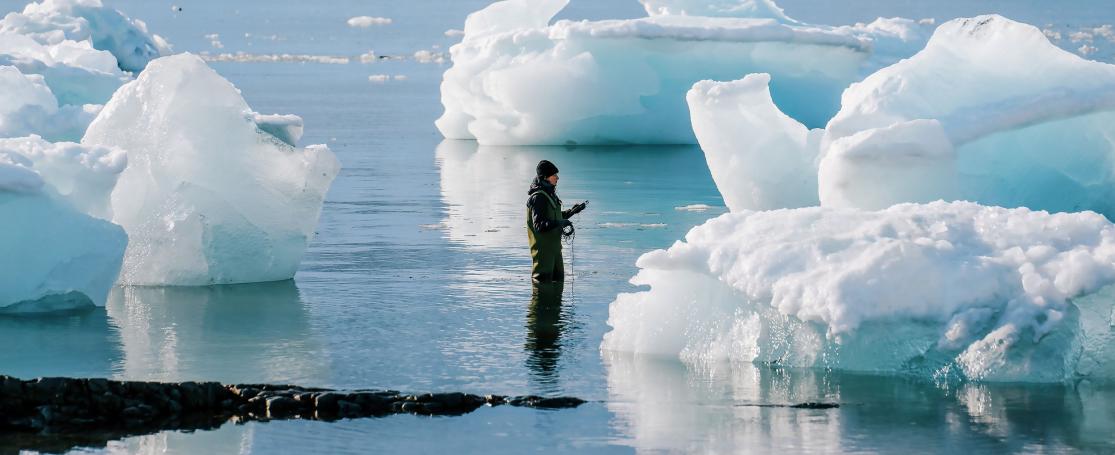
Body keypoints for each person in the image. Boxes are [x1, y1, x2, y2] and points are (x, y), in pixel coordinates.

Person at [526, 160, 586, 283]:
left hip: (555, 250)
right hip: (543, 253)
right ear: (545, 177)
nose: (557, 178)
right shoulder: (538, 197)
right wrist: (560, 223)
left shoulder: (549, 194)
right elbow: (539, 225)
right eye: (554, 175)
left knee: (559, 282)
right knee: (542, 284)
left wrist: (573, 211)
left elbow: (555, 217)